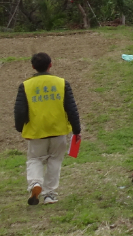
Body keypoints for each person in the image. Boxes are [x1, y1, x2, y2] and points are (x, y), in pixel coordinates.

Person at [14, 52, 82, 205]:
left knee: (35, 159)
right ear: (50, 65)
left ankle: (35, 183)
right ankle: (50, 194)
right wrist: (76, 130)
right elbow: (71, 108)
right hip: (58, 130)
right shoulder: (62, 83)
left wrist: (20, 128)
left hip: (36, 132)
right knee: (55, 161)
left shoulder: (25, 86)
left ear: (33, 67)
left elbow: (20, 110)